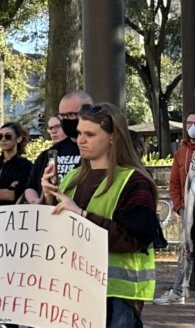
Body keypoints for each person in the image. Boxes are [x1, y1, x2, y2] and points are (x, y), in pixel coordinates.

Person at [40, 102, 161, 326]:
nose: (81, 140)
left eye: (90, 134)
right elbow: (53, 233)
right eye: (78, 133)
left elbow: (133, 239)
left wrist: (81, 215)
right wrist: (47, 197)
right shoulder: (72, 177)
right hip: (72, 289)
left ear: (113, 137)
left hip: (117, 296)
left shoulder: (135, 182)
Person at [21, 91, 94, 205]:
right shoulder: (53, 151)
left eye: (70, 115)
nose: (66, 119)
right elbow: (31, 185)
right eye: (62, 116)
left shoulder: (98, 151)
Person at [155, 110, 195, 305]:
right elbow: (174, 184)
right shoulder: (181, 154)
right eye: (188, 123)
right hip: (188, 209)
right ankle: (178, 290)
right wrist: (180, 207)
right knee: (185, 250)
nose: (191, 127)